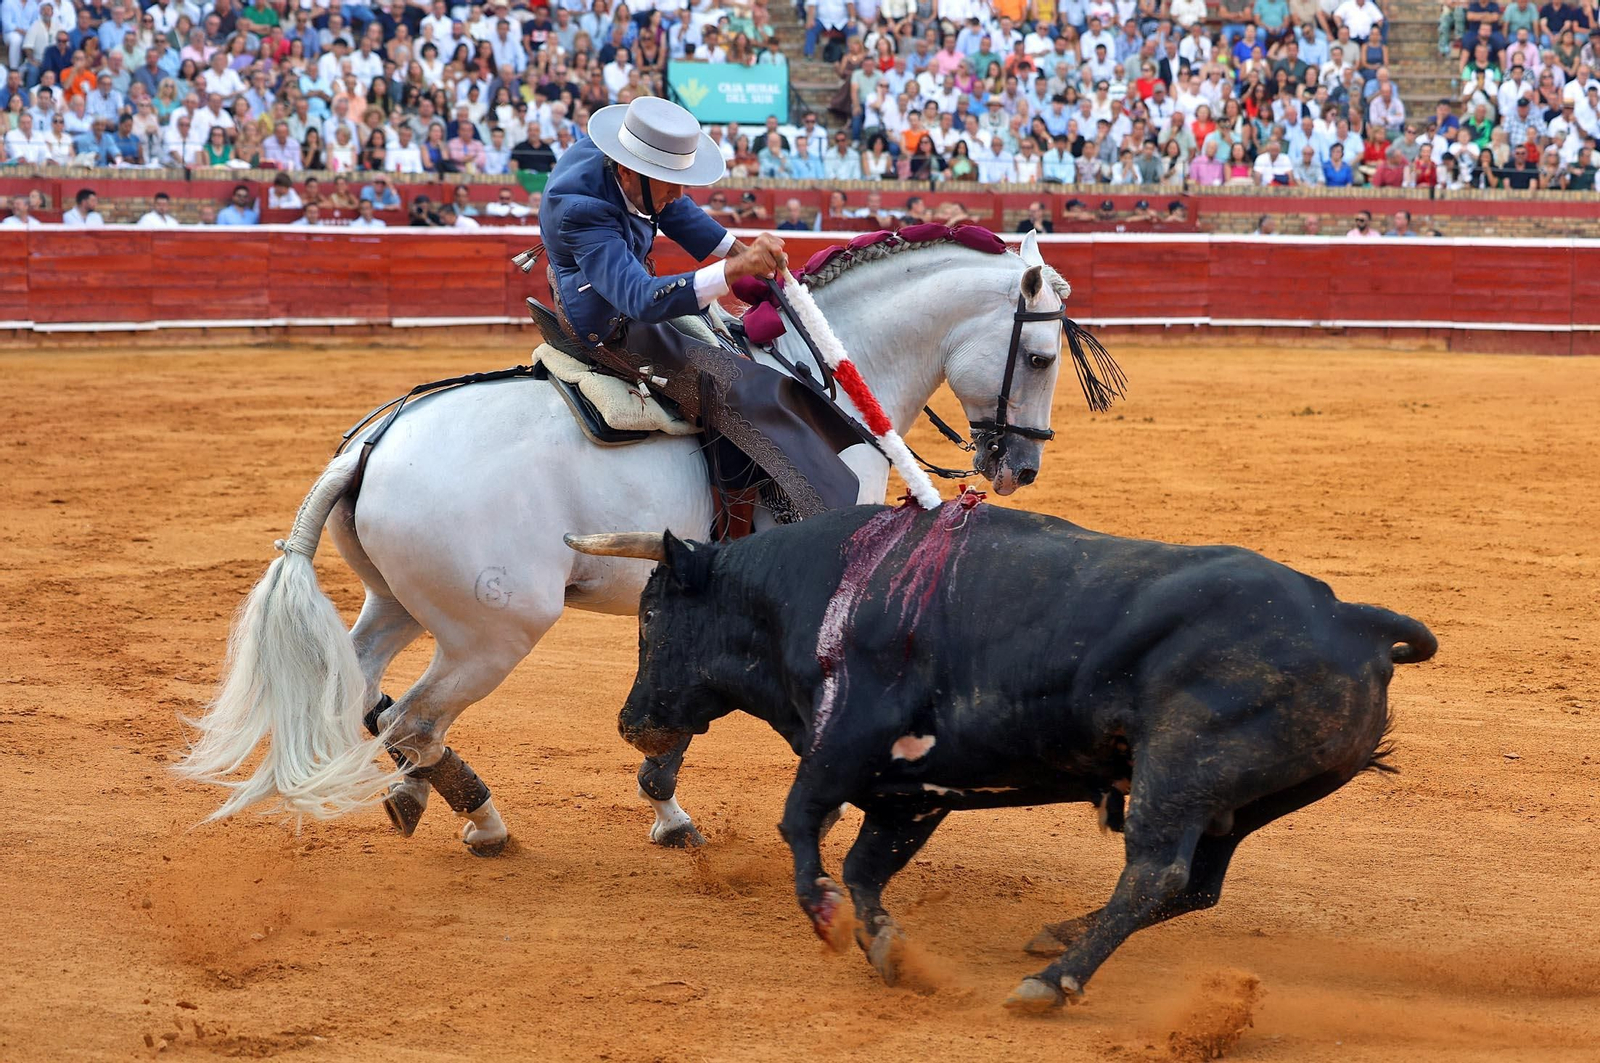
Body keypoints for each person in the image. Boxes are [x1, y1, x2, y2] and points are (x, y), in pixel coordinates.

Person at [539, 96, 864, 519]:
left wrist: (740, 251)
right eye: (668, 181)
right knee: (742, 388)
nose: (679, 193)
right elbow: (639, 299)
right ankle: (738, 527)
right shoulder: (583, 211)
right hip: (607, 321)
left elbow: (675, 210)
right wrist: (735, 269)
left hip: (623, 290)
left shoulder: (628, 158)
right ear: (626, 170)